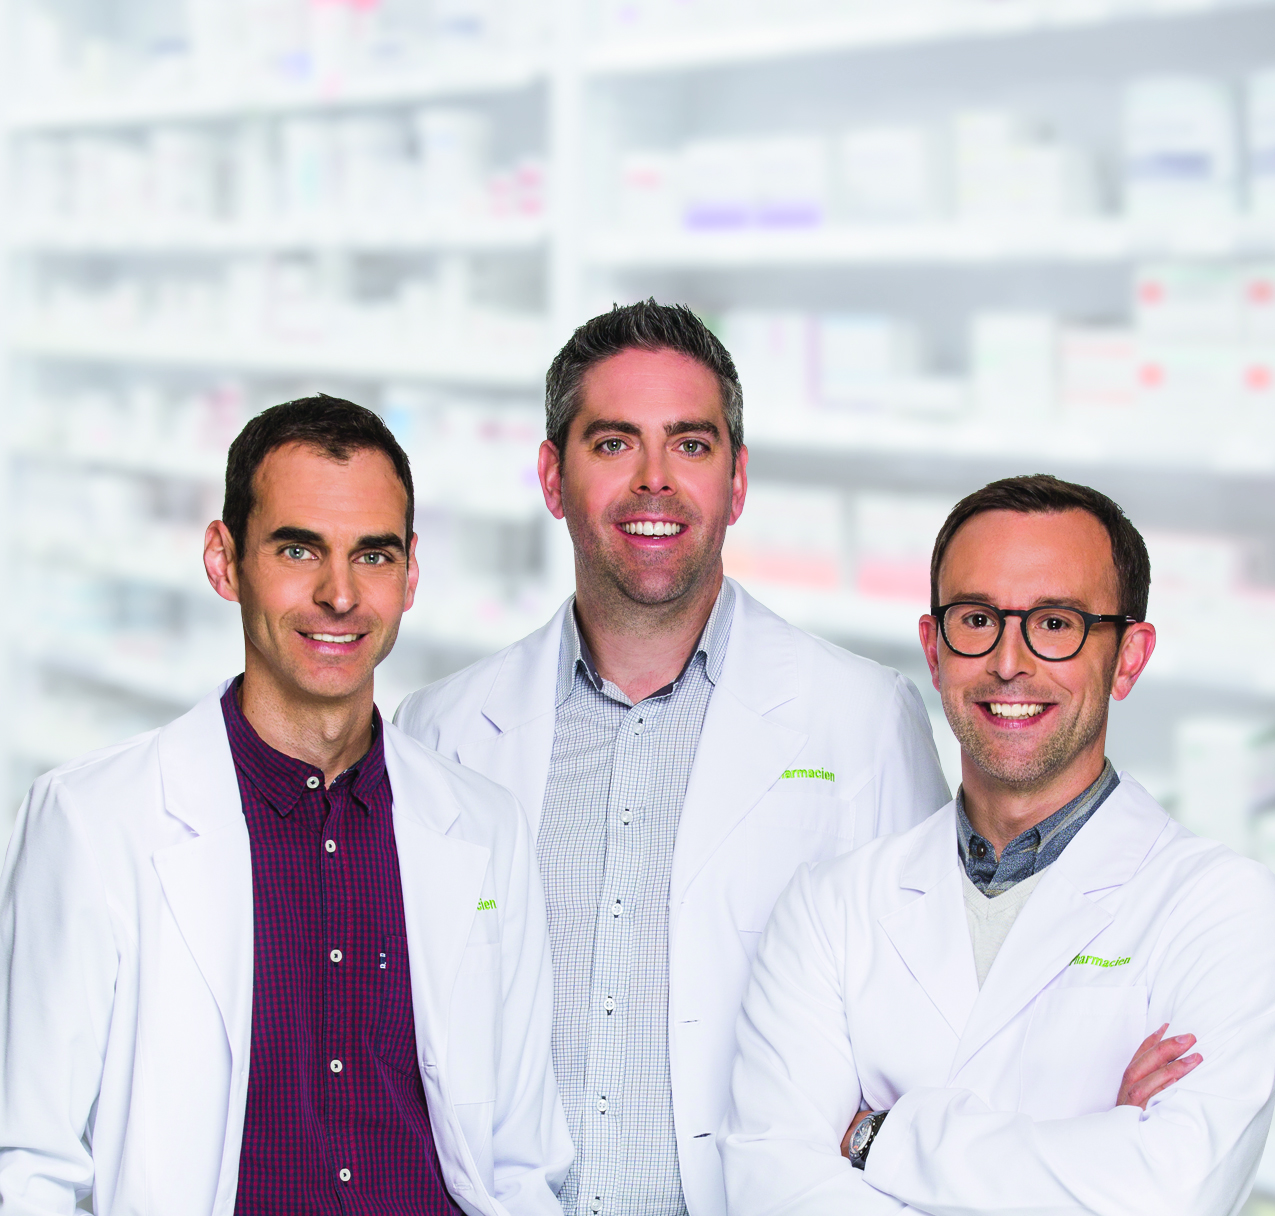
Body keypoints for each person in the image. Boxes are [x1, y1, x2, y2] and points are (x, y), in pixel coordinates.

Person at [394, 300, 950, 1216]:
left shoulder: (860, 722)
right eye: (614, 443)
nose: (654, 481)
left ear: (736, 481)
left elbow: (926, 1046)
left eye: (690, 445)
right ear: (552, 477)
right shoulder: (441, 730)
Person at [0, 396, 571, 1216]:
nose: (339, 594)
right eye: (298, 550)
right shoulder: (91, 824)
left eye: (372, 555)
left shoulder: (483, 826)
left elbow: (519, 1159)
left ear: (410, 574)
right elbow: (31, 1167)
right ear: (224, 561)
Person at [720, 473, 1275, 1216]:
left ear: (1128, 657)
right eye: (977, 619)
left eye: (1055, 623)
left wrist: (877, 1139)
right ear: (933, 649)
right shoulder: (829, 908)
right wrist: (1095, 1147)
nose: (1009, 661)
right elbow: (771, 1187)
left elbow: (1173, 1192)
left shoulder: (1225, 910)